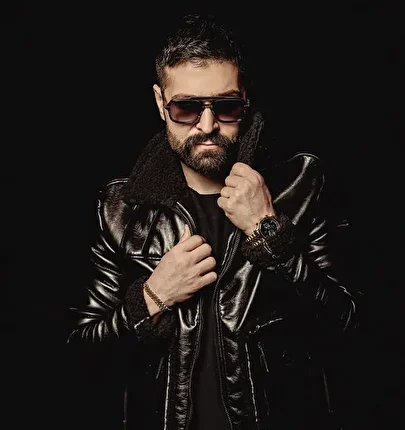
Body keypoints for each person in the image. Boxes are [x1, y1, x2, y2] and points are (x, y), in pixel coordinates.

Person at [67, 12, 361, 430]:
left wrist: (268, 233)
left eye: (225, 106)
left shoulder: (301, 185)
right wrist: (152, 297)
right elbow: (83, 353)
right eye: (186, 107)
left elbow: (349, 327)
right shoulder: (120, 209)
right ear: (160, 103)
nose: (207, 126)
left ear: (245, 101)